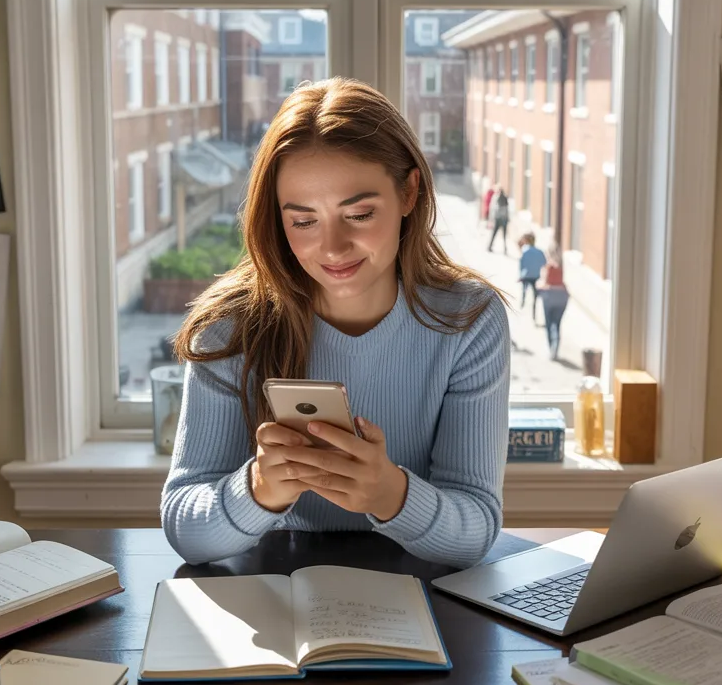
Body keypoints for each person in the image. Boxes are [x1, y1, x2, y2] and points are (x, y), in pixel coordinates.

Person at [160, 78, 511, 569]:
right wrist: (257, 490)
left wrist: (390, 493)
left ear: (409, 192)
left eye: (360, 214)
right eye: (303, 221)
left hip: (422, 603)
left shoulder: (469, 320)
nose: (332, 248)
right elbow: (185, 530)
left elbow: (474, 533)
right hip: (276, 598)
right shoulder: (229, 327)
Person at [538, 244, 569, 361]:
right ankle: (555, 348)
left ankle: (552, 348)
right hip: (562, 297)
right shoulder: (561, 266)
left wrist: (538, 285)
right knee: (557, 324)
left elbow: (546, 283)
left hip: (550, 296)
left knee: (549, 323)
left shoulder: (549, 267)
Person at [517, 232, 546, 323]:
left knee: (524, 289)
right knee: (535, 296)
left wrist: (521, 275)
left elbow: (522, 265)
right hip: (536, 276)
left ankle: (522, 302)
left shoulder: (525, 251)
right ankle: (534, 314)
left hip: (526, 275)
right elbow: (544, 263)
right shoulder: (540, 252)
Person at [488, 186, 510, 253]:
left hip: (500, 218)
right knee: (502, 234)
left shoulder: (496, 198)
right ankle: (503, 248)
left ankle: (492, 246)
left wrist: (491, 219)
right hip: (502, 219)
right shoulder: (503, 198)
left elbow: (493, 209)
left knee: (498, 234)